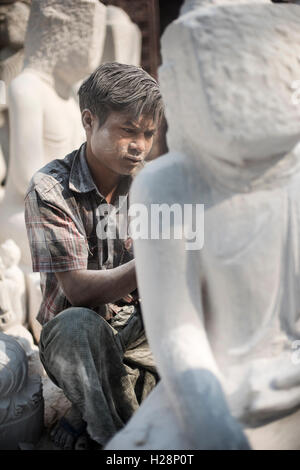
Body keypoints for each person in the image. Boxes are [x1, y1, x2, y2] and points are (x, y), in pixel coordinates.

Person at [24, 62, 163, 450]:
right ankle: (114, 439)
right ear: (89, 121)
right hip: (80, 338)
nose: (140, 146)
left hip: (141, 328)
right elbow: (79, 291)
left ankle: (93, 417)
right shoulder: (50, 189)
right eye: (128, 131)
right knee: (76, 328)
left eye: (149, 134)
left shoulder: (152, 183)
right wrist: (157, 258)